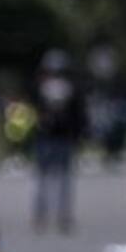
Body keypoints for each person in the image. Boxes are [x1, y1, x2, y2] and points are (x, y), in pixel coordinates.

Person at [31, 49, 86, 234]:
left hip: (61, 137)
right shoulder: (42, 87)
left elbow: (78, 115)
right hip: (48, 138)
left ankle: (59, 216)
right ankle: (43, 215)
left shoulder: (69, 89)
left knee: (60, 179)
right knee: (46, 179)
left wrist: (76, 134)